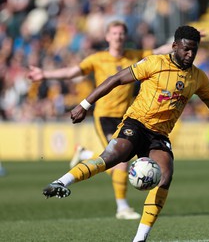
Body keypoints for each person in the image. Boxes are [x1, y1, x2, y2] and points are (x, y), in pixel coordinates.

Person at [42, 25, 209, 241]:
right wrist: (85, 104)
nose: (190, 54)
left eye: (194, 50)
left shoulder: (198, 77)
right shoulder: (155, 63)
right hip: (136, 123)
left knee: (165, 175)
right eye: (185, 49)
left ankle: (140, 238)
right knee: (112, 158)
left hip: (160, 135)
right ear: (174, 46)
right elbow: (115, 79)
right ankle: (61, 182)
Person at [28, 20, 172, 220]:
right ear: (107, 36)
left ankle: (86, 154)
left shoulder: (134, 55)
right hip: (104, 116)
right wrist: (44, 74)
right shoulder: (97, 58)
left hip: (127, 117)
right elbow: (72, 72)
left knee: (116, 161)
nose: (118, 36)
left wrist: (181, 43)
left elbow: (159, 50)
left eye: (121, 33)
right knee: (120, 163)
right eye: (114, 33)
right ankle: (122, 208)